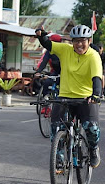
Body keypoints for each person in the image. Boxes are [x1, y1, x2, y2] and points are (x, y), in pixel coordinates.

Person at [35, 25, 102, 167]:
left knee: (91, 128)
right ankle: (58, 157)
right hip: (64, 96)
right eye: (76, 41)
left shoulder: (93, 56)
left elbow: (97, 77)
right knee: (56, 127)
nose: (79, 44)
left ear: (89, 41)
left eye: (82, 40)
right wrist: (41, 36)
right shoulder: (65, 50)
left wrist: (96, 94)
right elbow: (48, 44)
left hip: (86, 97)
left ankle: (93, 150)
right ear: (72, 42)